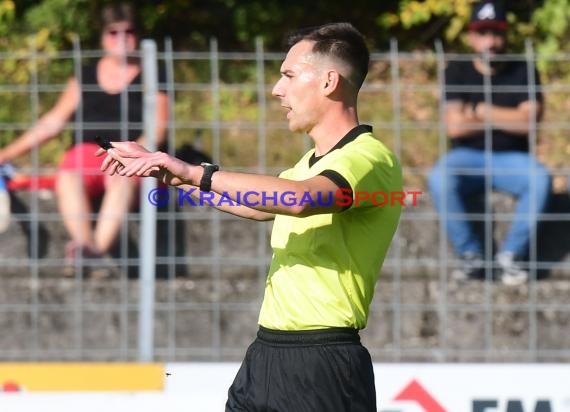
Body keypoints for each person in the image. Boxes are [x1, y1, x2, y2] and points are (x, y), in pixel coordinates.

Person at [99, 22, 402, 412]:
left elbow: (298, 200)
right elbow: (259, 204)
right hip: (266, 354)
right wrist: (169, 175)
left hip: (322, 362)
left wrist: (197, 172)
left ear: (329, 82)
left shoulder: (368, 157)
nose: (277, 90)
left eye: (289, 76)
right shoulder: (310, 162)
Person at [0, 3, 168, 274]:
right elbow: (52, 122)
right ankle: (84, 245)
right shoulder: (85, 74)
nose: (122, 39)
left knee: (121, 181)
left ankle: (94, 251)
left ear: (138, 35)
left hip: (133, 156)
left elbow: (157, 129)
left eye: (129, 32)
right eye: (114, 33)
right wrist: (4, 155)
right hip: (88, 154)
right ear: (103, 37)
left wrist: (135, 155)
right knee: (68, 176)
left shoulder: (155, 73)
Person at [428, 1, 551, 285]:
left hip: (512, 160)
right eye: (483, 33)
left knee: (539, 179)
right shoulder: (457, 70)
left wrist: (481, 111)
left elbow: (529, 123)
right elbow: (455, 125)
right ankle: (471, 255)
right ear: (472, 36)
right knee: (441, 177)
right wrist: (509, 116)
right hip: (466, 158)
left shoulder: (524, 70)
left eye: (496, 33)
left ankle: (511, 256)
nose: (490, 41)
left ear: (505, 35)